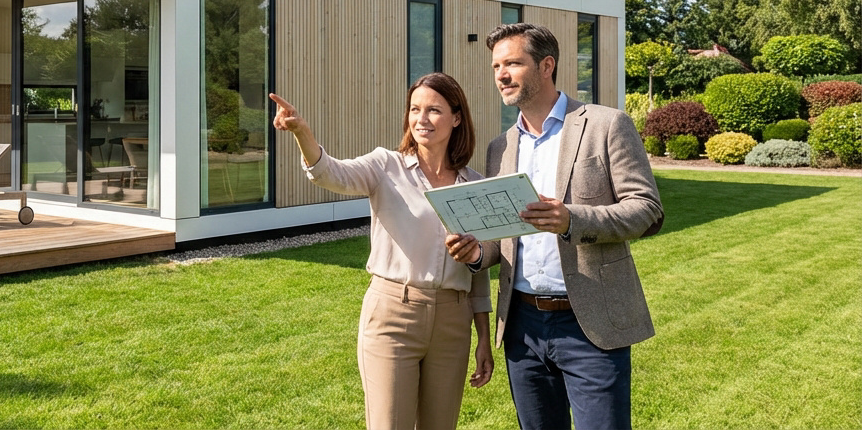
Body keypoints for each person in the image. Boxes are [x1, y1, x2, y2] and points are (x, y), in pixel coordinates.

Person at [445, 23, 663, 430]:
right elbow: (506, 238)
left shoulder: (606, 125)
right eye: (496, 66)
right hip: (522, 327)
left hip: (590, 323)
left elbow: (647, 209)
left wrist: (571, 219)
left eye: (512, 63)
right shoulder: (501, 147)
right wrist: (478, 252)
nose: (501, 75)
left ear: (547, 65)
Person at [270, 72, 493, 430]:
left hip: (453, 321)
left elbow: (477, 270)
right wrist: (302, 133)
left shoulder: (475, 184)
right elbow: (331, 173)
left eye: (434, 110)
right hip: (393, 315)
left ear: (456, 118)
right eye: (415, 109)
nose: (422, 119)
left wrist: (483, 338)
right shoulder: (385, 166)